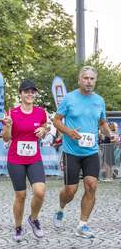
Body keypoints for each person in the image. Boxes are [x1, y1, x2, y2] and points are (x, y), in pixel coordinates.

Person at [53, 66, 114, 238]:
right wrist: (68, 132)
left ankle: (82, 224)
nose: (88, 81)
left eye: (92, 79)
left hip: (91, 152)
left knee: (91, 185)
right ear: (80, 80)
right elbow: (56, 120)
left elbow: (102, 123)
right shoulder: (69, 98)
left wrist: (111, 135)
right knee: (70, 191)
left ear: (95, 81)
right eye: (85, 78)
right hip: (71, 152)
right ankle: (61, 208)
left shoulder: (99, 101)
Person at [3, 79, 47, 242]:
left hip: (34, 158)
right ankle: (18, 227)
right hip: (16, 160)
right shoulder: (12, 114)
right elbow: (7, 138)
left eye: (32, 91)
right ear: (20, 94)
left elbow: (45, 126)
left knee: (40, 192)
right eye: (26, 91)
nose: (30, 94)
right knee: (20, 195)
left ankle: (34, 219)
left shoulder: (40, 112)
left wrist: (44, 129)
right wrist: (7, 126)